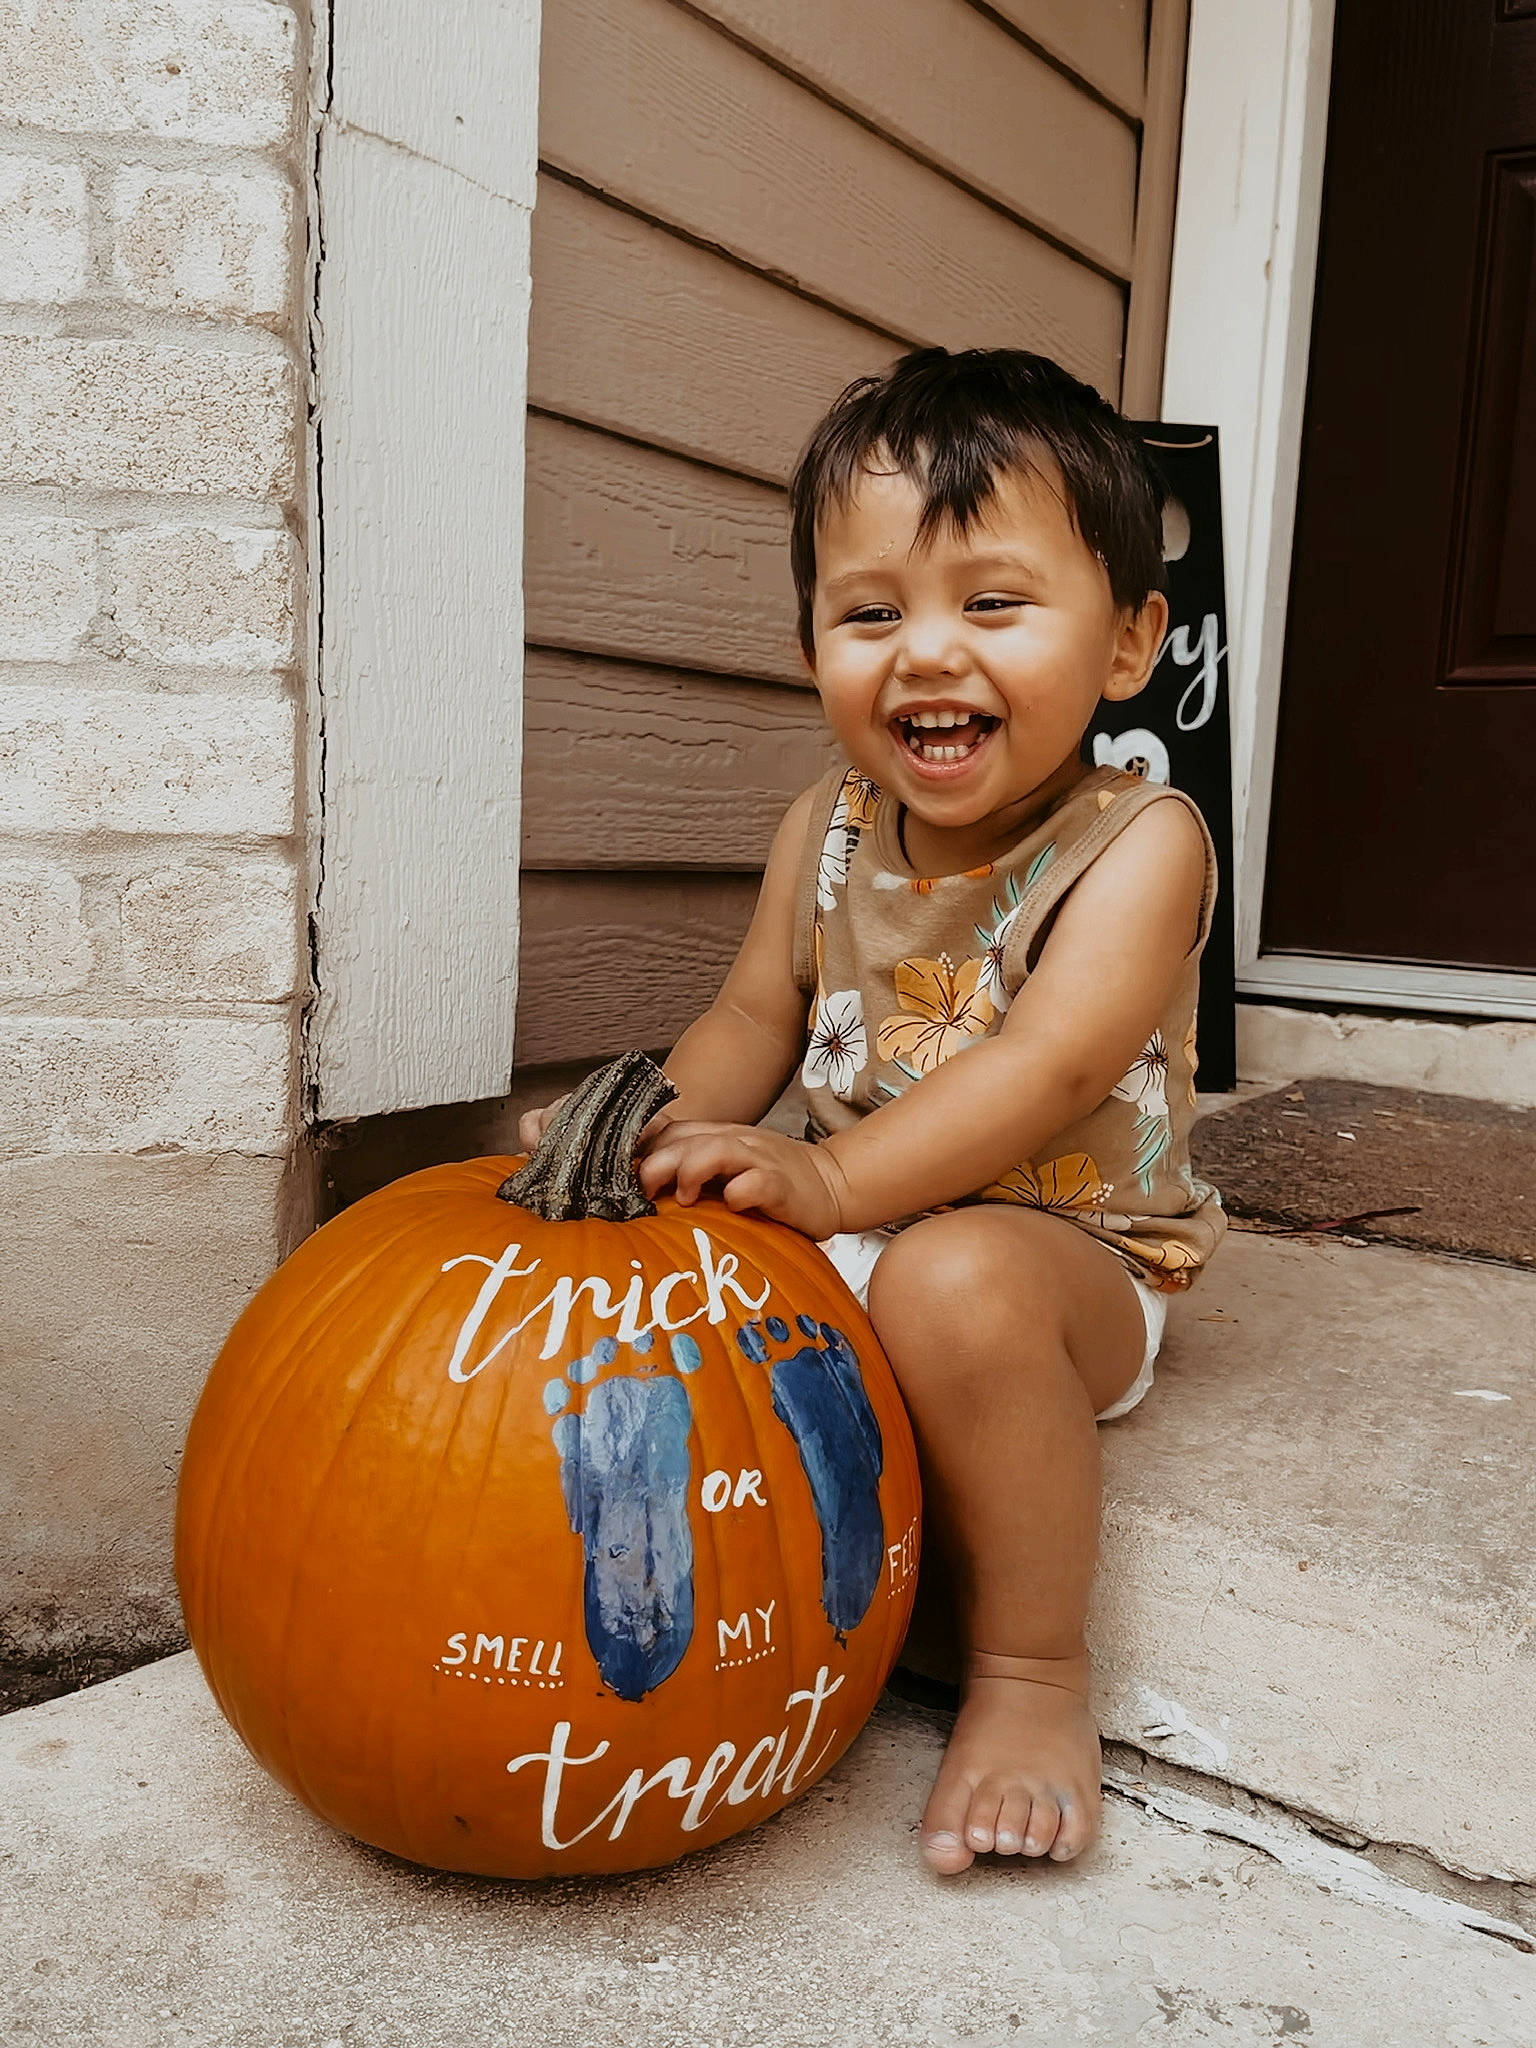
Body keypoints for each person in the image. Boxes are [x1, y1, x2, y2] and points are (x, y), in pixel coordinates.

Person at [520, 347, 1225, 1875]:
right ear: (812, 644)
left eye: (993, 604)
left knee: (950, 1279)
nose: (926, 654)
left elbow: (1044, 1066)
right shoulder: (825, 830)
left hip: (1064, 1262)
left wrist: (832, 1190)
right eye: (872, 612)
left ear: (1126, 643)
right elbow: (751, 1022)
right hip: (858, 1234)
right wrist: (633, 1129)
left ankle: (1031, 1672)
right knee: (654, 1293)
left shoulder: (1144, 842)